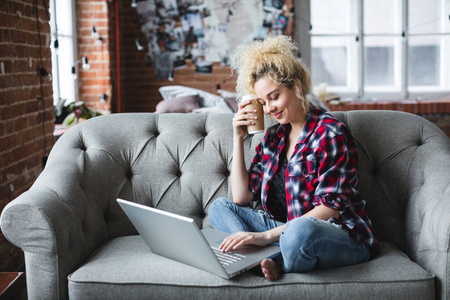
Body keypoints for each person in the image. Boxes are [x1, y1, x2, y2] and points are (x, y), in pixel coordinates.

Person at [208, 35, 378, 281]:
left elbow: (330, 209)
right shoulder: (274, 137)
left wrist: (264, 237)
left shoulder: (330, 133)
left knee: (299, 229)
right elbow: (241, 197)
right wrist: (237, 137)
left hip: (337, 234)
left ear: (296, 86)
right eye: (263, 102)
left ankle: (267, 261)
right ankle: (264, 259)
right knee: (219, 207)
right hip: (285, 232)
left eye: (274, 97)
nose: (269, 109)